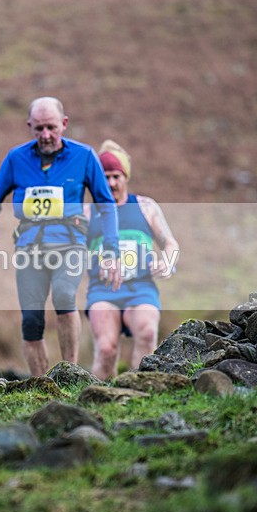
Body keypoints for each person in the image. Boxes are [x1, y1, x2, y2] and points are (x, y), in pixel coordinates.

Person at [0, 97, 121, 376]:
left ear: (64, 124)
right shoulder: (16, 159)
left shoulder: (85, 156)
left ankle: (70, 374)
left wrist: (111, 251)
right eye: (38, 128)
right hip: (30, 248)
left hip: (71, 243)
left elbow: (106, 205)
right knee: (31, 321)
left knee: (65, 295)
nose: (46, 135)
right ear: (29, 126)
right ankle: (42, 385)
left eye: (51, 127)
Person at [85, 140, 179, 380]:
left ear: (126, 176)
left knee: (147, 335)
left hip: (141, 288)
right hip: (103, 290)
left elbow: (170, 243)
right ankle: (99, 401)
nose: (111, 183)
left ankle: (140, 393)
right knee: (106, 349)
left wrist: (167, 263)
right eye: (105, 177)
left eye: (116, 176)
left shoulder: (146, 207)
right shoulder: (87, 213)